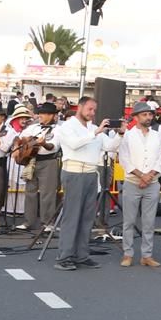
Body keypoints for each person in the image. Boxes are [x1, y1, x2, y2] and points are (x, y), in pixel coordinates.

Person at [52, 97, 118, 270]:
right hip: (74, 171)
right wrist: (95, 134)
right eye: (89, 109)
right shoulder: (66, 127)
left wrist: (121, 133)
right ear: (79, 107)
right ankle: (64, 256)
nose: (92, 113)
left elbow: (110, 146)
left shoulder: (94, 128)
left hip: (90, 173)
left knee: (87, 217)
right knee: (72, 216)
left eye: (94, 110)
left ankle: (82, 255)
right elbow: (74, 144)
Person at [117, 106, 161, 267]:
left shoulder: (157, 135)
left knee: (149, 221)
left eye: (150, 114)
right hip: (133, 182)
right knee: (129, 221)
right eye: (144, 114)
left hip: (152, 183)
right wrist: (141, 175)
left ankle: (147, 255)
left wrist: (149, 175)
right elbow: (124, 159)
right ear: (136, 118)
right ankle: (127, 254)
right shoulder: (129, 136)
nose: (148, 117)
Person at [20, 102, 64, 239]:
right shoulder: (33, 128)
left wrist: (44, 143)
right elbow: (20, 138)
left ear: (52, 116)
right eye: (40, 113)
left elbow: (53, 146)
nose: (40, 116)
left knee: (48, 193)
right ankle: (29, 221)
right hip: (32, 160)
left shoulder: (58, 130)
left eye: (44, 114)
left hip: (49, 161)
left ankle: (48, 223)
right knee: (30, 191)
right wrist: (23, 142)